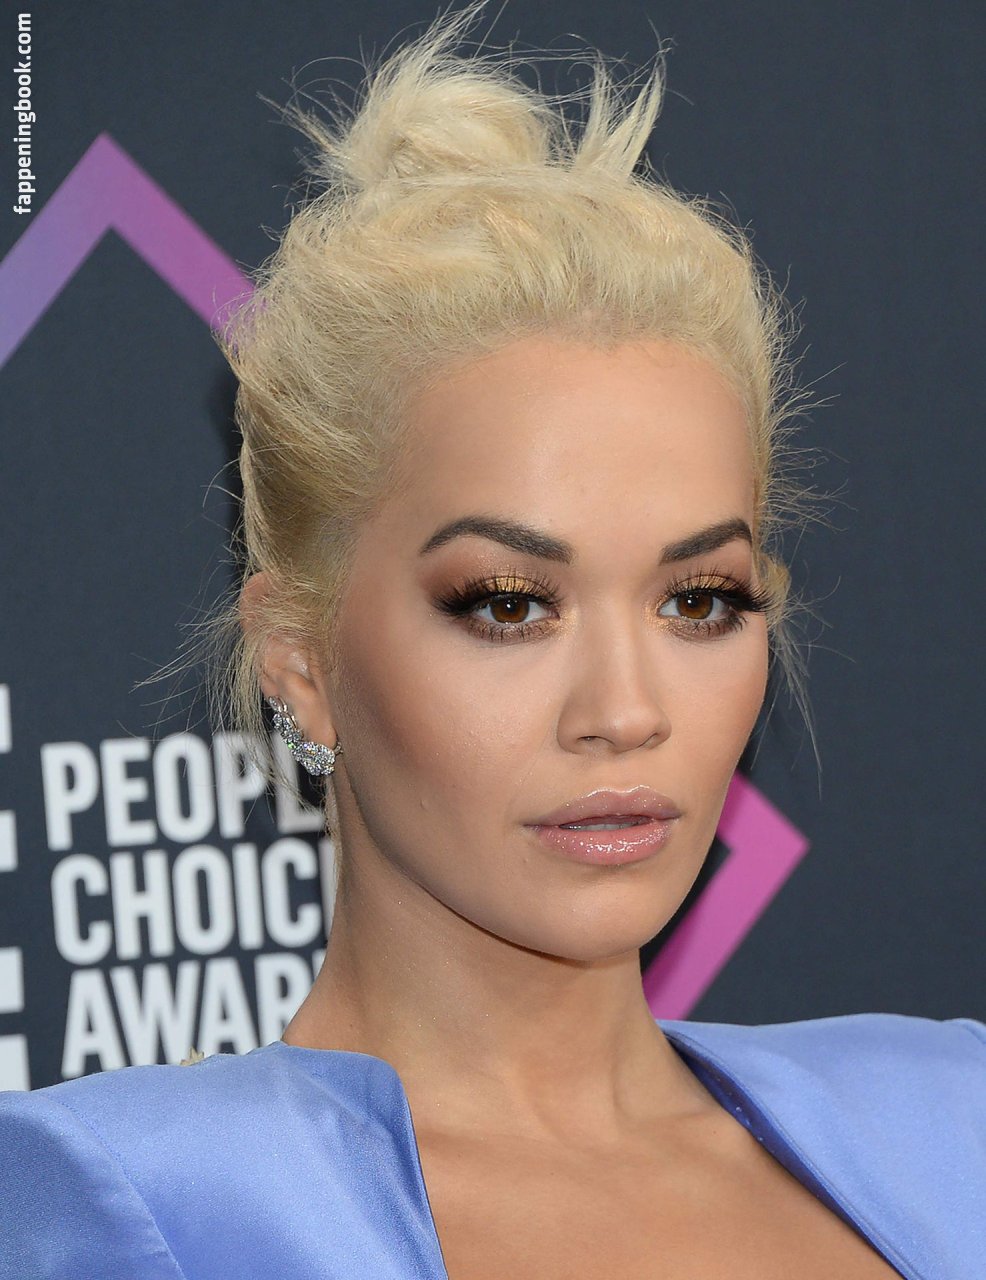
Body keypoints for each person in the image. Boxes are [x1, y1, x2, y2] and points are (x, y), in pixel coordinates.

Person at [1, 5, 983, 1278]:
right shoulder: (135, 1203)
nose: (624, 709)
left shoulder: (950, 1118)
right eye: (509, 602)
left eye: (697, 599)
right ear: (298, 658)